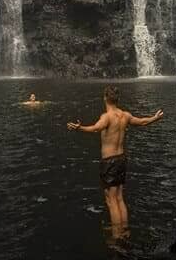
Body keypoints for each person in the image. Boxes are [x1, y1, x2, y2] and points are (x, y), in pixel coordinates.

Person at [67, 85, 164, 236]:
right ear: (117, 99)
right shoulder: (125, 115)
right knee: (119, 197)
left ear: (105, 98)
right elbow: (142, 122)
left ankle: (116, 235)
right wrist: (155, 117)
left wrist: (80, 128)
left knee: (111, 200)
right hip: (121, 159)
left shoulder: (106, 117)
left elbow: (95, 128)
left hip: (109, 161)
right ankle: (124, 231)